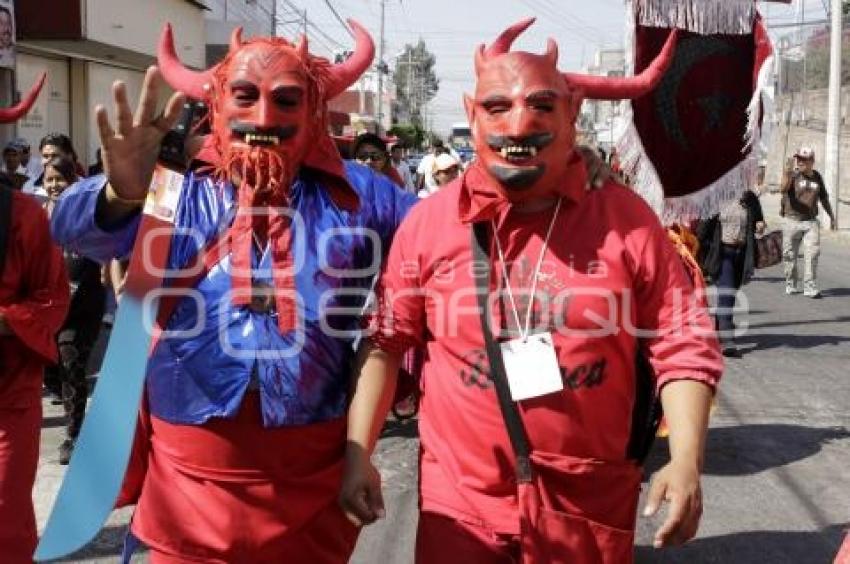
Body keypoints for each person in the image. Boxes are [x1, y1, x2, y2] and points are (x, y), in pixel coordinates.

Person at [341, 19, 722, 563]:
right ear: (473, 115)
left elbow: (682, 344)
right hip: (461, 502)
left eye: (542, 107)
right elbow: (385, 341)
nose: (519, 125)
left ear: (573, 114)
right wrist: (359, 453)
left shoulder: (626, 220)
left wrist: (686, 459)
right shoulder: (429, 224)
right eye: (497, 107)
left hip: (586, 500)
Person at [50, 22, 417, 562]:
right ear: (217, 105)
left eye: (286, 100)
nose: (264, 118)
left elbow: (443, 236)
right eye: (245, 96)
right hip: (187, 471)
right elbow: (70, 229)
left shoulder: (359, 194)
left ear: (314, 111)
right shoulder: (175, 186)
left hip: (311, 466)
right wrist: (119, 193)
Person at [0, 85, 70, 564]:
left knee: (6, 515)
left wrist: (4, 320)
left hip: (9, 395)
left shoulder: (23, 213)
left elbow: (53, 297)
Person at [42, 155, 106, 465]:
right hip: (49, 307)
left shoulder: (89, 212)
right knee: (51, 369)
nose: (54, 185)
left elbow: (111, 248)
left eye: (60, 179)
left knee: (72, 363)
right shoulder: (38, 215)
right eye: (49, 179)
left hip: (84, 305)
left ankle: (74, 434)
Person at [696, 189, 765, 357]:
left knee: (730, 295)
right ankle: (728, 340)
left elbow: (759, 219)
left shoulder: (749, 198)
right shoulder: (716, 197)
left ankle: (720, 331)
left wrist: (760, 224)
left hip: (741, 254)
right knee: (726, 293)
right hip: (722, 254)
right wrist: (706, 253)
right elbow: (702, 230)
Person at [780, 146, 836, 298]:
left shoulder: (817, 177)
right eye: (798, 158)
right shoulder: (793, 175)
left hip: (810, 222)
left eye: (804, 159)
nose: (800, 162)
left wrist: (831, 216)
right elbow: (782, 189)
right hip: (791, 220)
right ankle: (791, 283)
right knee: (789, 256)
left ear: (812, 161)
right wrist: (787, 173)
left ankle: (809, 287)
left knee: (812, 254)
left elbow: (824, 198)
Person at [23, 133, 84, 200]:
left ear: (69, 156)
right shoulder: (29, 186)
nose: (49, 160)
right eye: (45, 156)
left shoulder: (85, 188)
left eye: (55, 156)